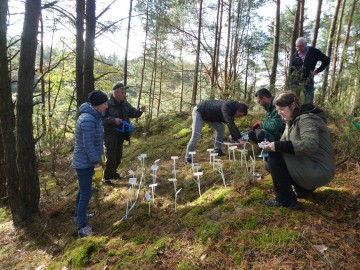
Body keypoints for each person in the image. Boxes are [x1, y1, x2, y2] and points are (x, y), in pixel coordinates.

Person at [262, 91, 335, 210]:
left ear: (293, 105)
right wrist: (270, 145)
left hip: (320, 169)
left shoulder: (307, 119)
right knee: (268, 162)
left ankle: (286, 200)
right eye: (277, 110)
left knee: (275, 157)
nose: (279, 113)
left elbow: (310, 145)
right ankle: (303, 189)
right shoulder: (290, 121)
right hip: (309, 165)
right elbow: (283, 142)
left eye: (282, 109)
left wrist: (278, 146)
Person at [72, 90, 108, 238]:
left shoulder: (95, 116)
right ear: (98, 104)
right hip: (85, 163)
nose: (106, 106)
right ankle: (82, 227)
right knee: (86, 193)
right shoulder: (88, 119)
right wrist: (95, 163)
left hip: (88, 161)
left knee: (83, 190)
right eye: (105, 103)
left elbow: (96, 140)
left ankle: (78, 215)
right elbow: (88, 144)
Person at [103, 82, 145, 183]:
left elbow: (133, 113)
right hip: (110, 137)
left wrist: (140, 111)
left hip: (121, 136)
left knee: (118, 158)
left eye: (124, 93)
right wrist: (114, 120)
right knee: (111, 159)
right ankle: (106, 178)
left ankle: (113, 173)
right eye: (122, 93)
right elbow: (101, 120)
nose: (124, 94)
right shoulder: (107, 105)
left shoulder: (125, 103)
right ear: (115, 93)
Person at [185, 99, 248, 164]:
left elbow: (230, 125)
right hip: (199, 111)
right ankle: (188, 158)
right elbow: (230, 123)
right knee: (196, 136)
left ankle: (217, 150)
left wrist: (237, 140)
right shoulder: (226, 107)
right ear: (238, 110)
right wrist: (240, 139)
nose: (239, 117)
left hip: (210, 116)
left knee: (221, 129)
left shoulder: (232, 110)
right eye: (239, 115)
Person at [290, 37, 330, 105]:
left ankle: (308, 114)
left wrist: (317, 71)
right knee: (294, 100)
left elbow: (326, 60)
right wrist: (291, 78)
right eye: (297, 46)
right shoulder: (295, 55)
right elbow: (291, 68)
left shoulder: (314, 51)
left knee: (309, 100)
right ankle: (296, 114)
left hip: (308, 80)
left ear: (306, 44)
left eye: (301, 46)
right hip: (295, 80)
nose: (299, 48)